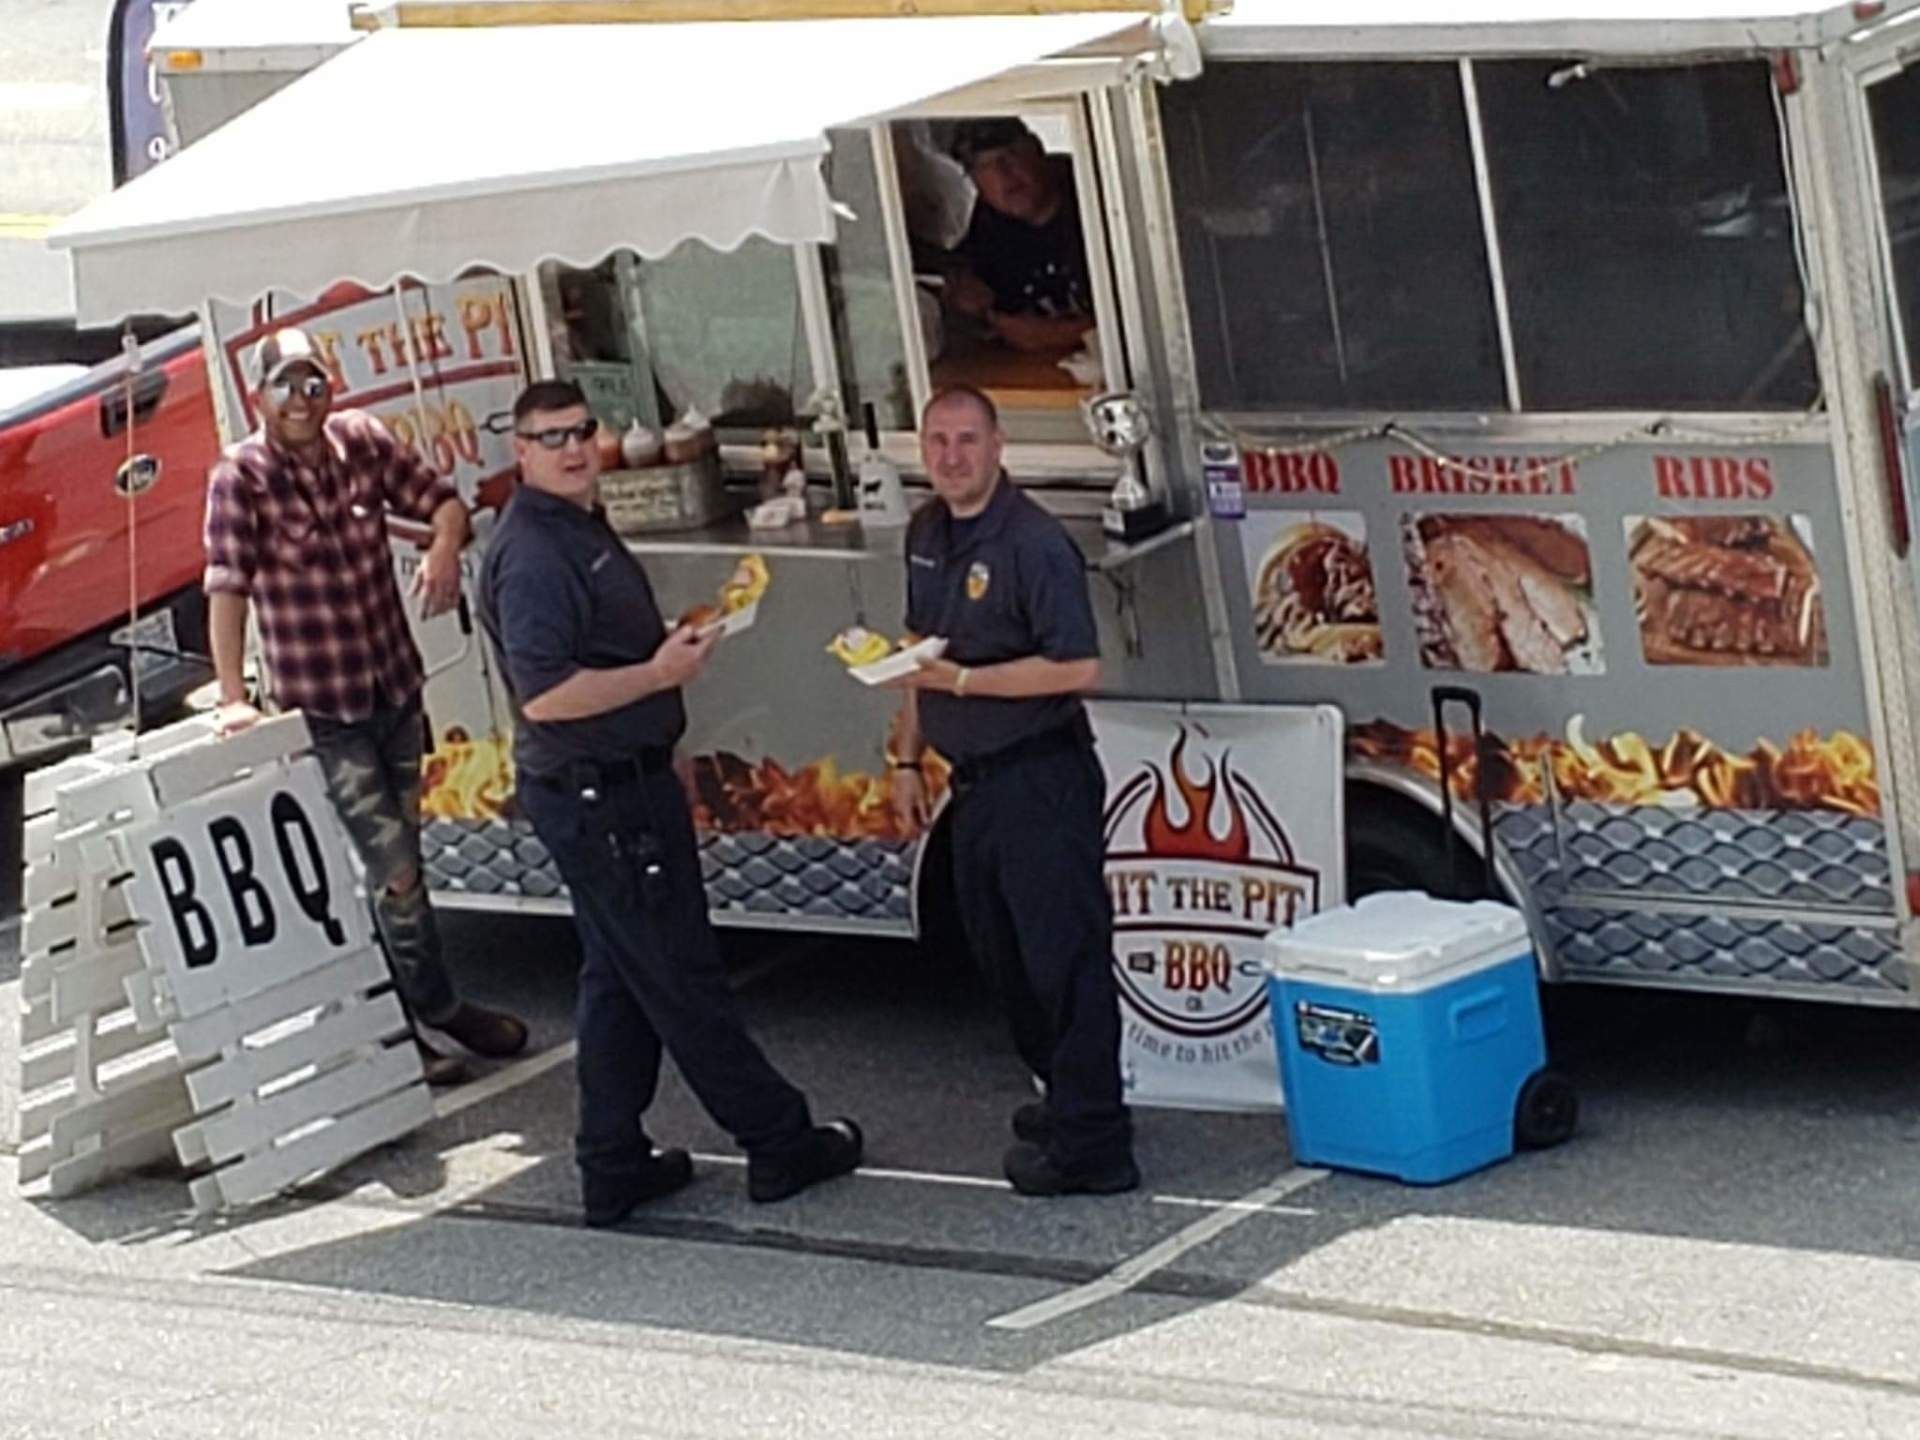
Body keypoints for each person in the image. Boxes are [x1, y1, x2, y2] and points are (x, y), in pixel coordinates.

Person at [478, 379, 862, 1227]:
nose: (572, 449)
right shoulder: (536, 554)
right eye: (550, 438)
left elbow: (598, 658)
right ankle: (778, 1138)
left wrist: (666, 670)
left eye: (581, 431)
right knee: (680, 976)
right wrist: (656, 677)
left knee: (620, 974)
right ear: (520, 449)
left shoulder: (577, 525)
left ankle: (611, 1162)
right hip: (601, 794)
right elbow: (546, 695)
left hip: (621, 781)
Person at [203, 327, 528, 1087]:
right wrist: (230, 697)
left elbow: (445, 503)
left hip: (391, 687)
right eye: (285, 385)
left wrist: (444, 547)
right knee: (395, 872)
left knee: (404, 858)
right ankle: (426, 1011)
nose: (302, 400)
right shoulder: (240, 475)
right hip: (322, 707)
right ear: (259, 397)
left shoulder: (363, 441)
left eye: (313, 382)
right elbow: (226, 586)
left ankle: (411, 1016)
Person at [886, 385, 1136, 1197]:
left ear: (999, 447)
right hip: (973, 787)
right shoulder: (926, 533)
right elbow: (916, 658)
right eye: (937, 442)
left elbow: (1077, 667)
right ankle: (1065, 1095)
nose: (951, 456)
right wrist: (904, 760)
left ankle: (1096, 1143)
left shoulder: (1034, 544)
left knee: (1064, 959)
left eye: (966, 440)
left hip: (1042, 775)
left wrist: (964, 681)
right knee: (998, 955)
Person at [942, 118, 1097, 356]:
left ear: (1036, 149)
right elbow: (971, 294)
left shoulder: (1093, 192)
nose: (1003, 173)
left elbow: (1151, 312)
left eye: (1010, 154)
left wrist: (1060, 335)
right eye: (984, 166)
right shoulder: (990, 221)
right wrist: (968, 306)